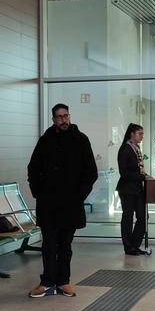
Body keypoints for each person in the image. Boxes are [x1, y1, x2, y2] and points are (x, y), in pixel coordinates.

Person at [27, 104, 98, 298]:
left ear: (69, 116)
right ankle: (47, 282)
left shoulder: (81, 140)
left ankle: (64, 281)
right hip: (48, 203)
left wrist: (79, 195)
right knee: (48, 244)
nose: (63, 120)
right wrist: (38, 192)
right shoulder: (45, 140)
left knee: (65, 244)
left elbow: (90, 172)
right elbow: (33, 168)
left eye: (66, 116)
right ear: (53, 120)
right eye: (59, 117)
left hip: (71, 203)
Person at [116, 123, 149, 255]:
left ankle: (135, 244)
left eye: (142, 134)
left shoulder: (136, 148)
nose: (142, 136)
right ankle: (128, 246)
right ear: (132, 134)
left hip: (137, 188)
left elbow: (138, 169)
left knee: (142, 217)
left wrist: (145, 176)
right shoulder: (125, 149)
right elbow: (124, 173)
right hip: (127, 189)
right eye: (140, 133)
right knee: (128, 217)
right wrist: (142, 177)